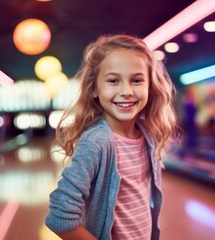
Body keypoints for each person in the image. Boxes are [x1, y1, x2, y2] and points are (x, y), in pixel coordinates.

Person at [45, 34, 180, 240]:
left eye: (136, 80)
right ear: (94, 89)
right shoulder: (97, 142)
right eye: (113, 81)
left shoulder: (148, 133)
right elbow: (59, 217)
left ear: (150, 87)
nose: (126, 91)